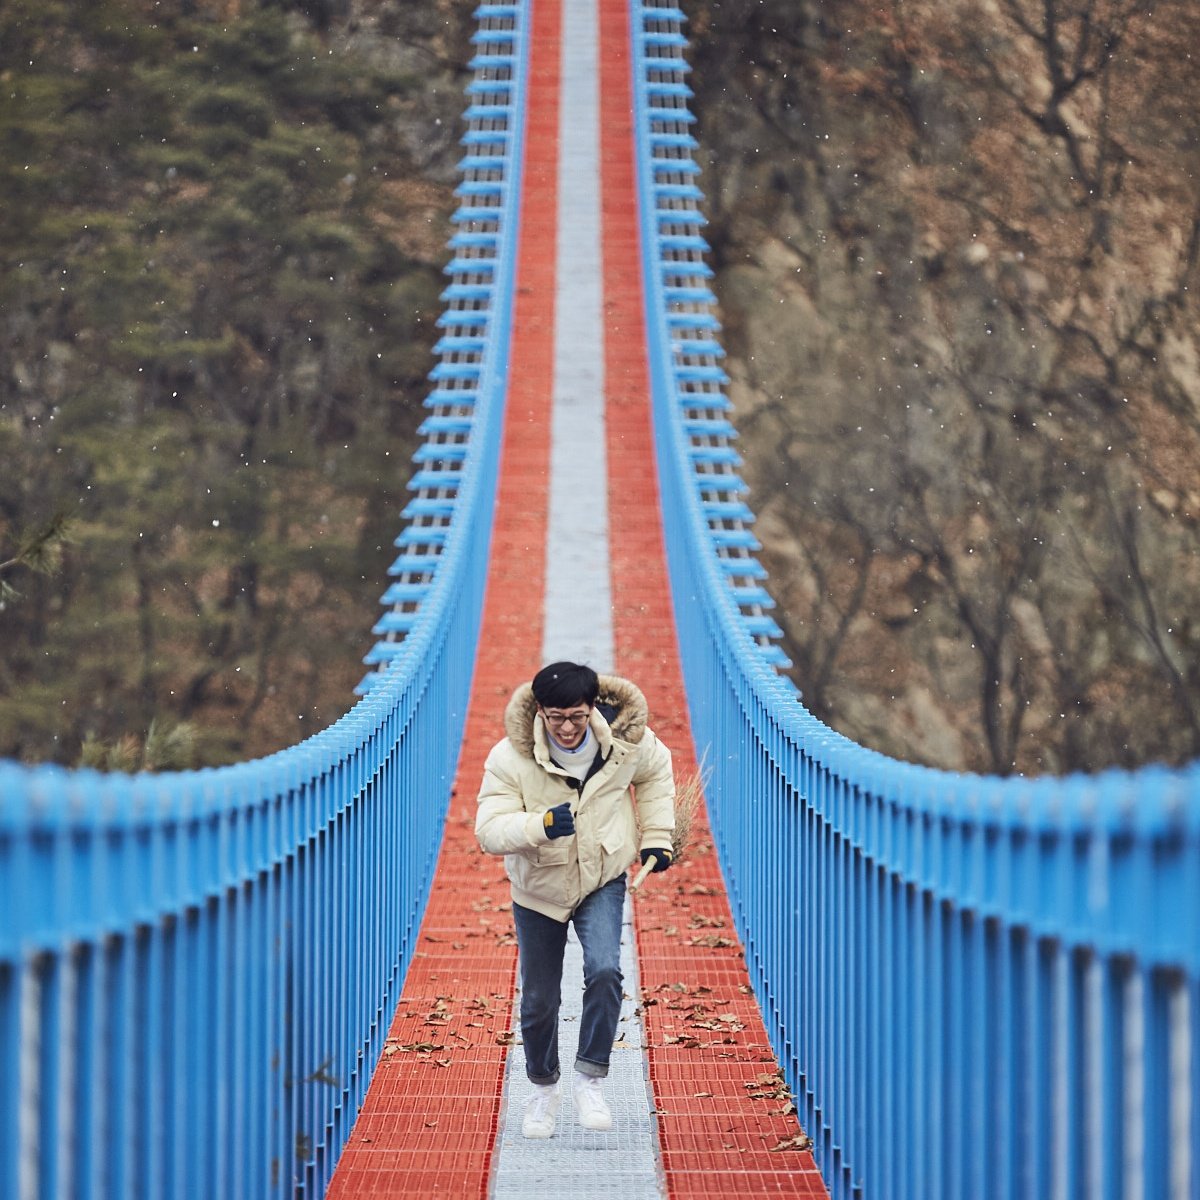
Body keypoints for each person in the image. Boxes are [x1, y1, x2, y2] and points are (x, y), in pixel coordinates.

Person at [475, 661, 676, 1138]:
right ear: (540, 712)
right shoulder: (510, 757)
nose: (567, 728)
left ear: (593, 709)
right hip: (538, 886)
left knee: (605, 969)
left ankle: (591, 1079)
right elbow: (489, 830)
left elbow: (656, 774)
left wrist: (657, 836)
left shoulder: (627, 742)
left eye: (577, 717)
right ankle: (543, 1088)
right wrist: (539, 826)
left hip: (602, 876)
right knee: (539, 998)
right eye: (556, 718)